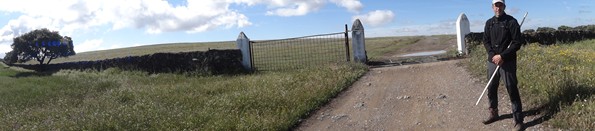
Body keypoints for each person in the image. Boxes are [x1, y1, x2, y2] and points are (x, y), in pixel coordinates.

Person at [482, 0, 525, 130]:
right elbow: (486, 41)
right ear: (492, 7)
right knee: (491, 88)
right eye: (496, 5)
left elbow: (517, 43)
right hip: (492, 62)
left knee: (512, 89)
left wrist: (502, 56)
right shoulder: (489, 23)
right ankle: (493, 113)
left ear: (504, 6)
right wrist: (493, 56)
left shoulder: (512, 22)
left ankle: (518, 120)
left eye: (500, 5)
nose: (498, 7)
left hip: (508, 62)